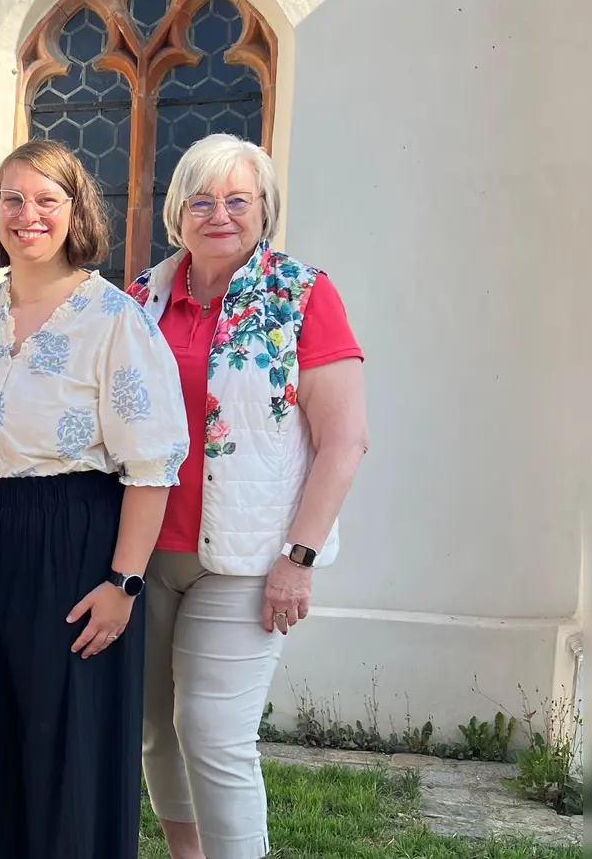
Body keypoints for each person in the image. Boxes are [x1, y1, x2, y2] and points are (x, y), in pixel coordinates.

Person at [0, 139, 191, 859]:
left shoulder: (115, 320)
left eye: (46, 201)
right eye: (12, 199)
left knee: (65, 746)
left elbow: (151, 468)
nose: (27, 215)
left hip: (71, 541)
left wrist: (123, 584)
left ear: (75, 212)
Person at [124, 132, 368, 859]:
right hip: (146, 548)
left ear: (265, 210)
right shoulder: (144, 295)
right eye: (202, 199)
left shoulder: (302, 293)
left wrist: (300, 556)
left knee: (213, 732)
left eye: (238, 199)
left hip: (250, 559)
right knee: (155, 729)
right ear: (178, 212)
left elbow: (344, 440)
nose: (220, 214)